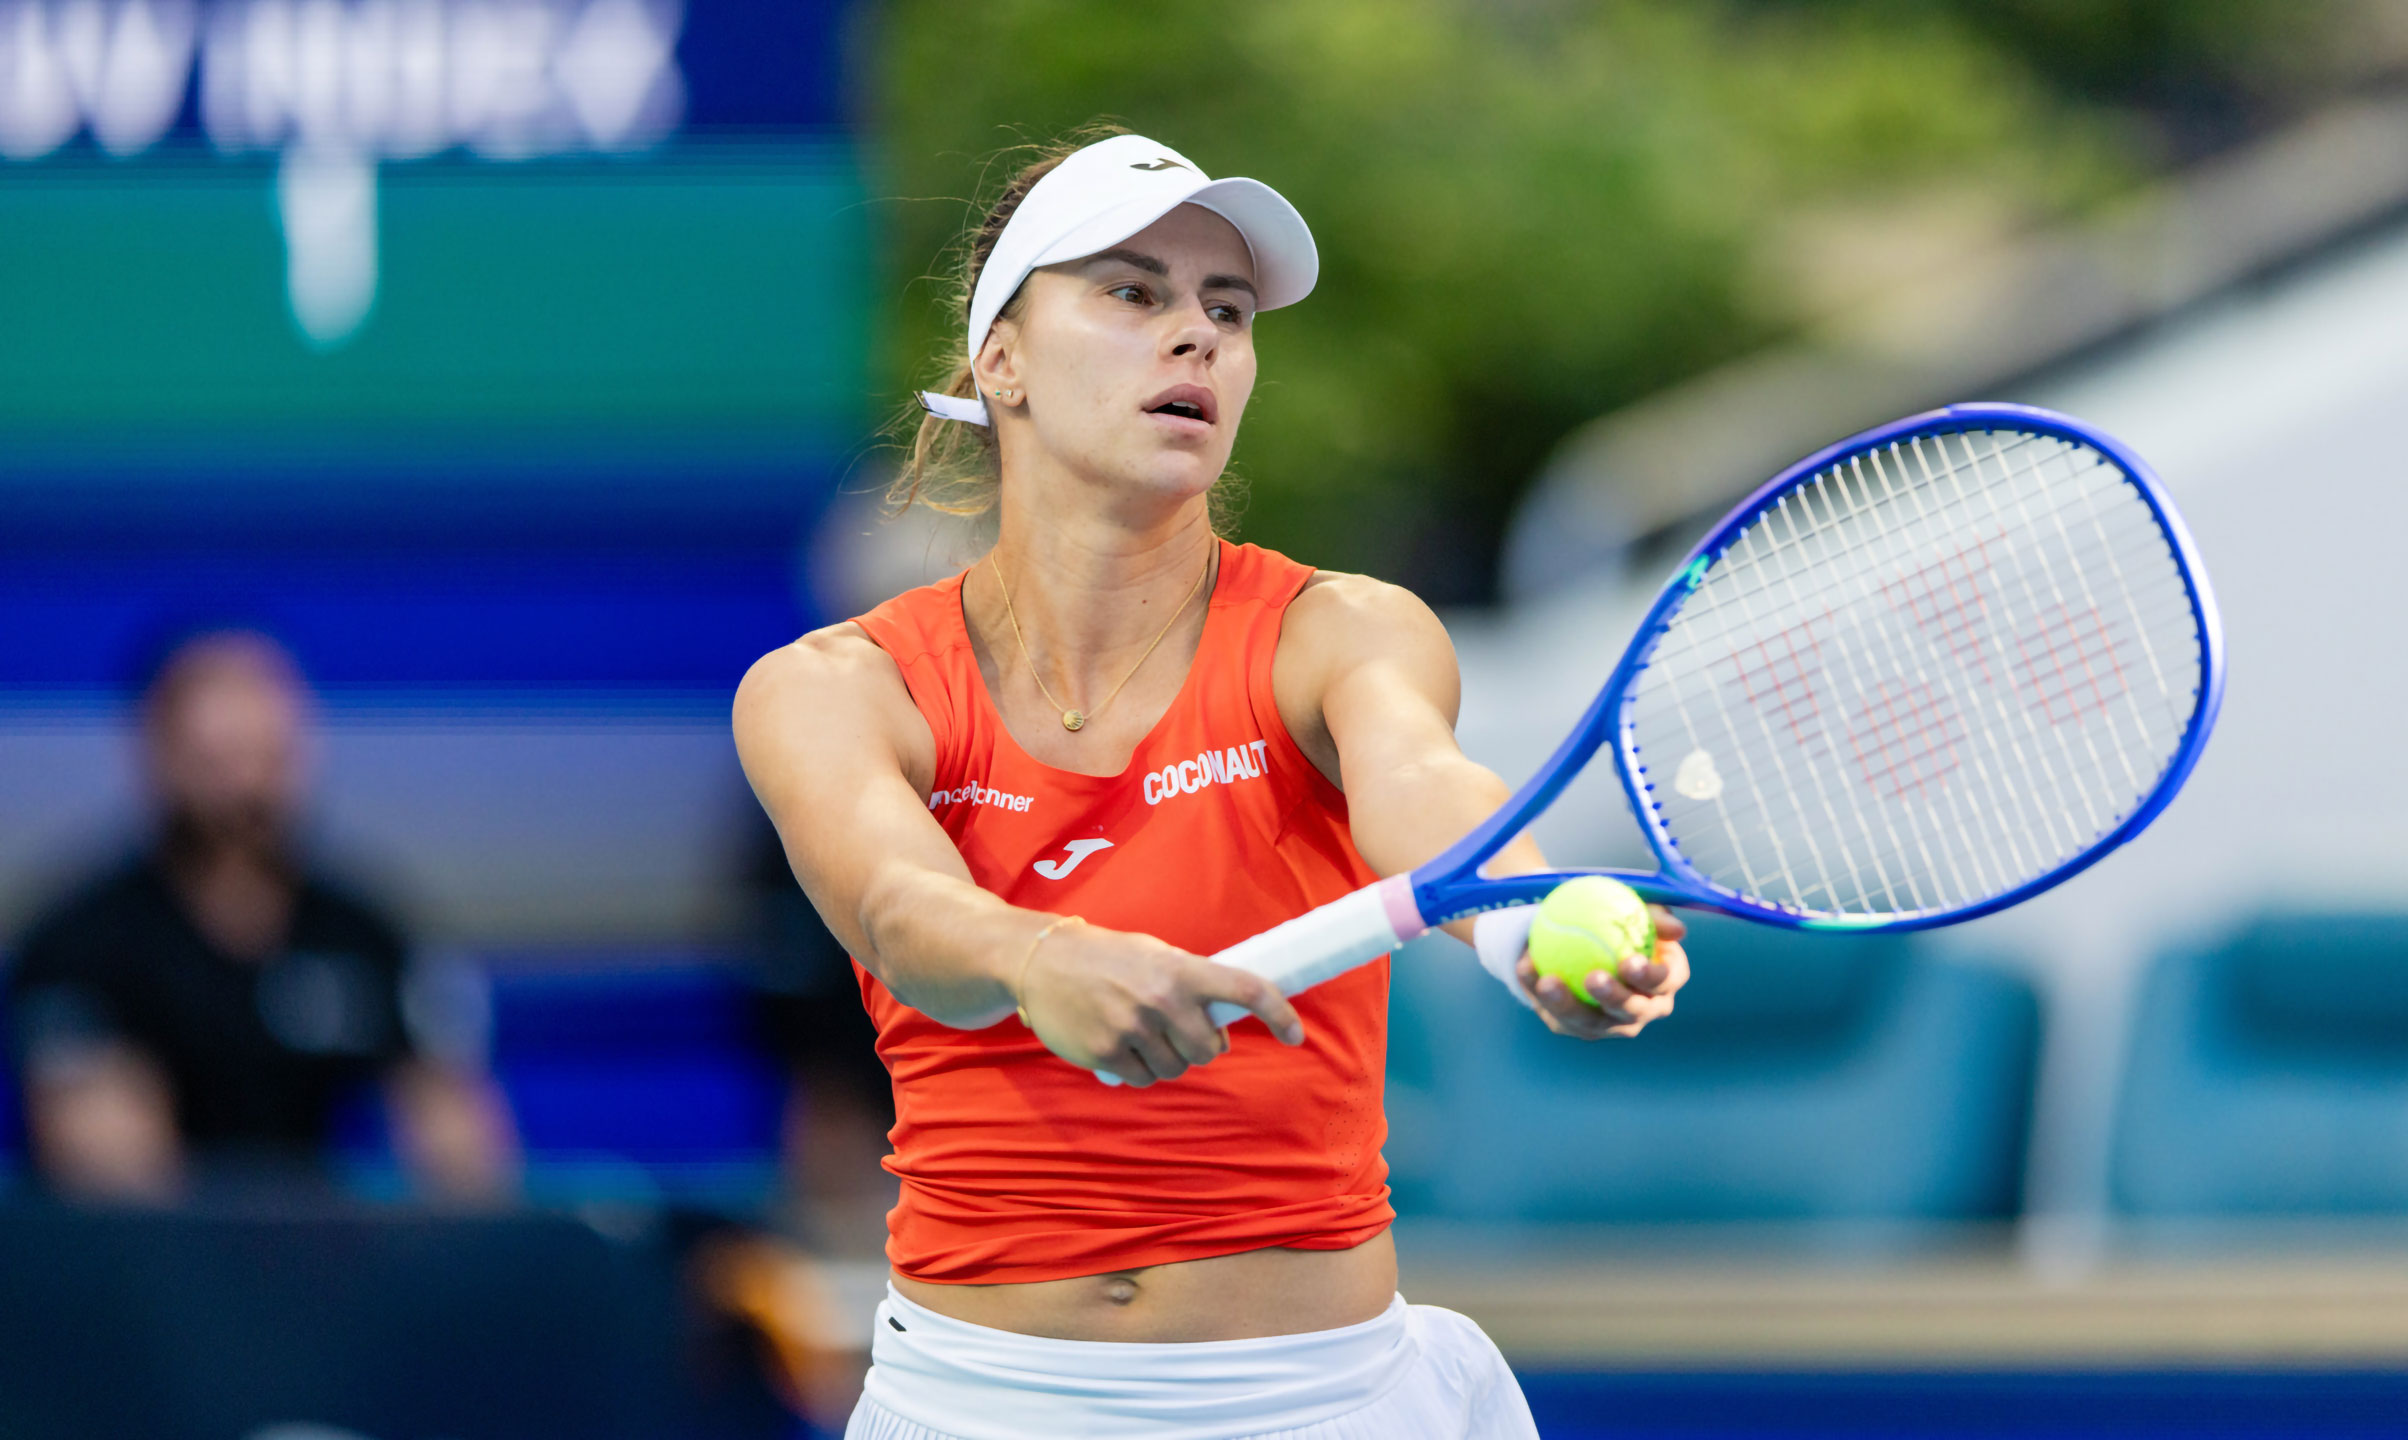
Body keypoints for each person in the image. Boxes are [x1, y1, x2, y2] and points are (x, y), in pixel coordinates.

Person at [733, 131, 1688, 1440]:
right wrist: (1039, 959)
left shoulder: (1341, 631)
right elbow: (899, 912)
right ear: (1000, 360)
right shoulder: (834, 687)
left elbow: (1421, 786)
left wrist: (1522, 920)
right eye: (1132, 292)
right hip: (973, 1403)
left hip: (1319, 1403)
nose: (1196, 335)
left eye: (1226, 311)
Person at [5, 631, 517, 1205]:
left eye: (268, 759)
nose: (246, 790)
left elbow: (460, 1136)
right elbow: (106, 1166)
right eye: (218, 761)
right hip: (150, 1253)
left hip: (316, 1246)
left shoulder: (362, 930)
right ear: (159, 755)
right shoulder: (81, 945)